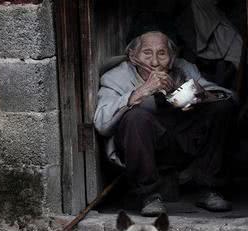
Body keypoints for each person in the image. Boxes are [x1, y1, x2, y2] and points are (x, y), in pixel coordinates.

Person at [94, 29, 236, 216]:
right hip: (143, 149)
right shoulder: (115, 77)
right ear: (132, 56)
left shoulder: (184, 69)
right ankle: (149, 195)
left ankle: (209, 188)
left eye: (162, 54)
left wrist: (200, 94)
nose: (154, 62)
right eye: (147, 53)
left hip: (183, 143)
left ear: (172, 56)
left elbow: (229, 98)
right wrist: (141, 92)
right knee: (136, 117)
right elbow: (101, 123)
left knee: (221, 109)